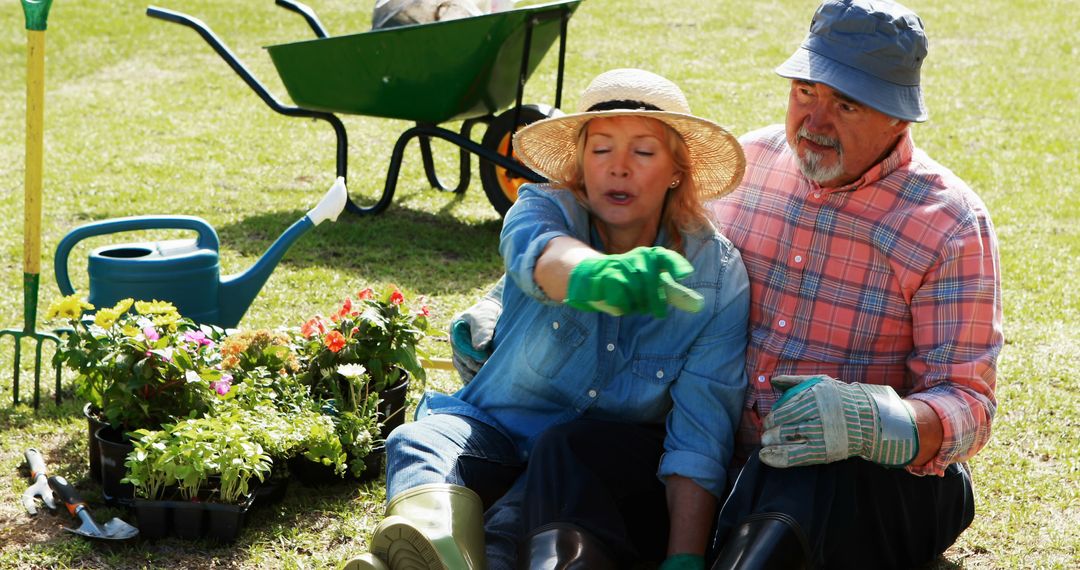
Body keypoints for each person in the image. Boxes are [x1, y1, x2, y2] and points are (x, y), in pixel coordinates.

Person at [451, 1, 1004, 568]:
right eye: (805, 93)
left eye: (845, 103)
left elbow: (969, 402)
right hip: (708, 460)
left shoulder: (949, 222)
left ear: (898, 117)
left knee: (802, 477)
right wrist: (498, 307)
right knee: (571, 450)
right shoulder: (750, 167)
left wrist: (877, 421)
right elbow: (623, 243)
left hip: (857, 481)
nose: (814, 121)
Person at [342, 68, 751, 570]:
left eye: (643, 151)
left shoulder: (718, 276)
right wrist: (596, 277)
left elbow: (700, 431)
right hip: (492, 429)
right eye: (601, 150)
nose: (618, 168)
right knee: (418, 441)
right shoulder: (541, 207)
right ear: (580, 164)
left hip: (589, 470)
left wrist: (684, 558)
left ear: (675, 170)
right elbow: (542, 257)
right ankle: (435, 544)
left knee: (513, 522)